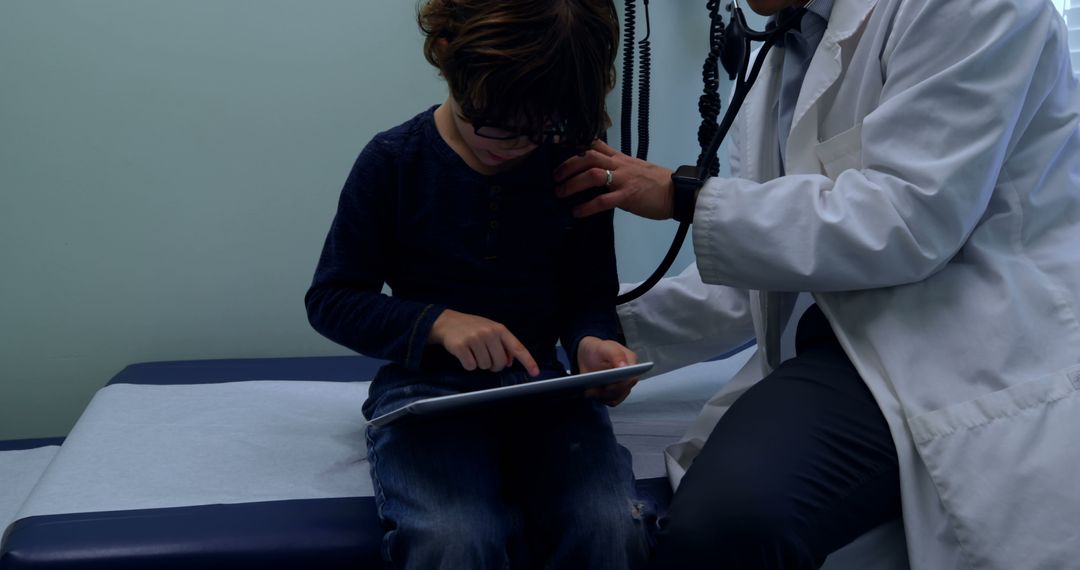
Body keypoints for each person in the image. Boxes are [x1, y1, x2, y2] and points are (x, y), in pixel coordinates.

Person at [555, 0, 1080, 568]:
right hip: (851, 334)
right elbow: (768, 258)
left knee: (729, 522)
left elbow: (905, 221)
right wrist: (582, 327)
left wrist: (684, 196)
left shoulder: (976, 8)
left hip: (957, 341)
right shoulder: (792, 35)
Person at [305, 1, 650, 568]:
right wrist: (438, 324)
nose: (512, 146)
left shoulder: (569, 165)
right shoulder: (393, 163)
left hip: (545, 393)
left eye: (537, 131)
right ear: (446, 57)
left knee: (611, 527)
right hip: (426, 398)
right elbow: (333, 299)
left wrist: (593, 341)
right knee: (453, 538)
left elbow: (587, 295)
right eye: (490, 122)